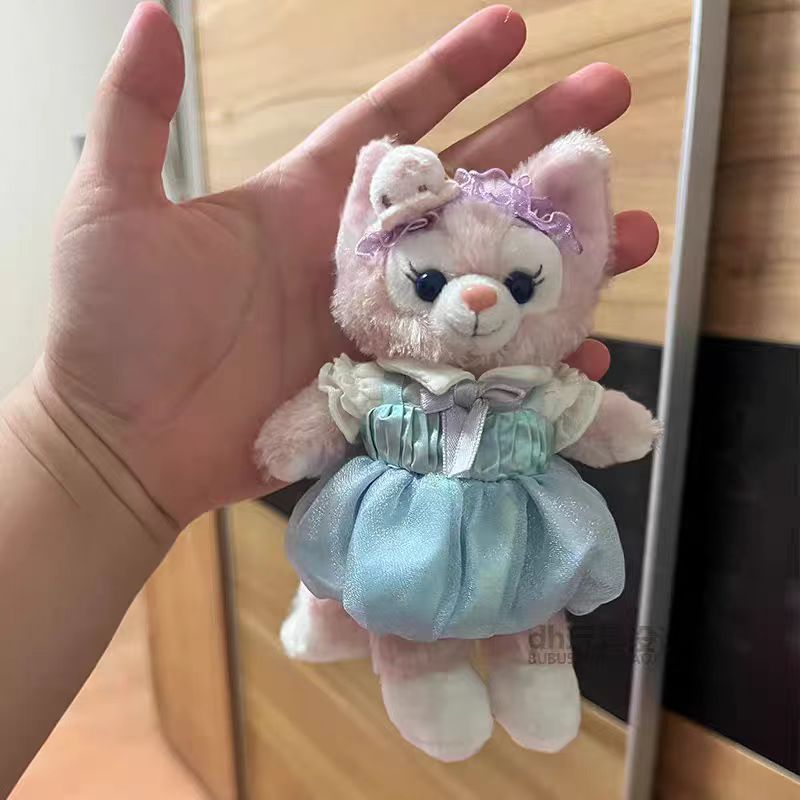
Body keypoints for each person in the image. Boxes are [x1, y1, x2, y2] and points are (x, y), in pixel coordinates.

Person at [0, 2, 658, 793]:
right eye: (429, 281)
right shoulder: (375, 383)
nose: (482, 301)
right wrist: (87, 439)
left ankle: (535, 667)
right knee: (401, 595)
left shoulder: (536, 390)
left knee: (538, 593)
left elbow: (589, 416)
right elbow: (324, 416)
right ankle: (422, 676)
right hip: (404, 527)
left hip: (521, 520)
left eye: (521, 285)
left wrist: (613, 423)